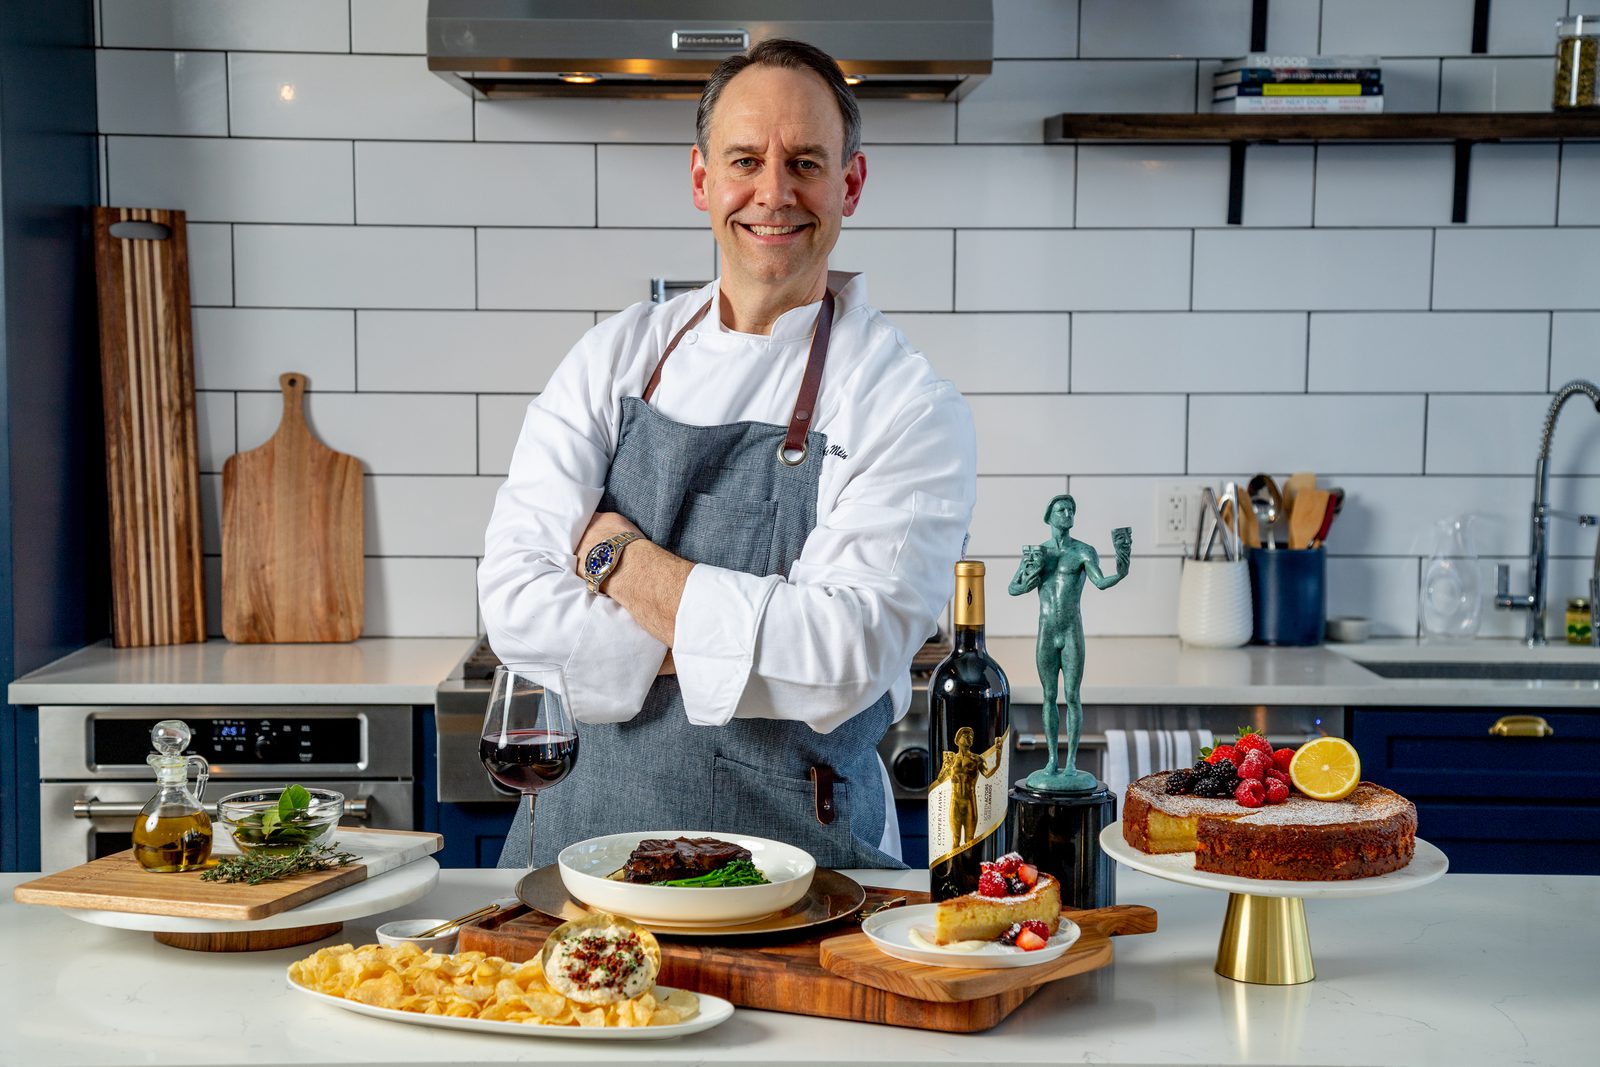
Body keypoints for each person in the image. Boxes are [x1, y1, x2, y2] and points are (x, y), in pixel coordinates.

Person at [478, 38, 976, 869]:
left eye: (805, 162)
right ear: (702, 179)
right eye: (745, 159)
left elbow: (843, 658)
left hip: (805, 888)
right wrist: (756, 639)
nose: (773, 193)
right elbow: (514, 610)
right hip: (570, 878)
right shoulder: (612, 358)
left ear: (849, 182)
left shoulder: (908, 405)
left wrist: (616, 556)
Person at [1008, 495, 1131, 791]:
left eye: (1071, 510)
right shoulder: (1039, 553)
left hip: (1072, 631)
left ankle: (1071, 762)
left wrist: (1123, 567)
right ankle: (1052, 760)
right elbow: (1014, 588)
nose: (1068, 514)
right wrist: (1029, 575)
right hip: (1047, 632)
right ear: (1049, 516)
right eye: (1061, 510)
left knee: (1073, 696)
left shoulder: (1083, 551)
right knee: (1049, 695)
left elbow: (1100, 582)